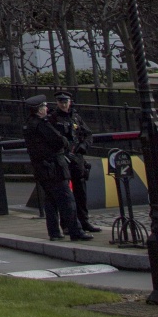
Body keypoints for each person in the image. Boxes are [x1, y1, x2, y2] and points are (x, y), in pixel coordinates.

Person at [24, 96, 92, 242]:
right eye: (44, 107)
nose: (46, 109)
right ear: (39, 109)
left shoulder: (29, 124)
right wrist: (65, 143)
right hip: (54, 167)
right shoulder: (41, 124)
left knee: (50, 201)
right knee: (68, 200)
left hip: (41, 168)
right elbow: (59, 140)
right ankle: (76, 231)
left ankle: (54, 232)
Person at [53, 90, 101, 233]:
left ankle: (84, 221)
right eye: (61, 102)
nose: (63, 104)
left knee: (81, 193)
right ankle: (67, 224)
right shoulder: (53, 118)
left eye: (65, 102)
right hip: (63, 158)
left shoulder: (76, 117)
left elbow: (88, 134)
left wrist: (83, 146)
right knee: (65, 193)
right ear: (57, 103)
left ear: (70, 102)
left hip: (77, 158)